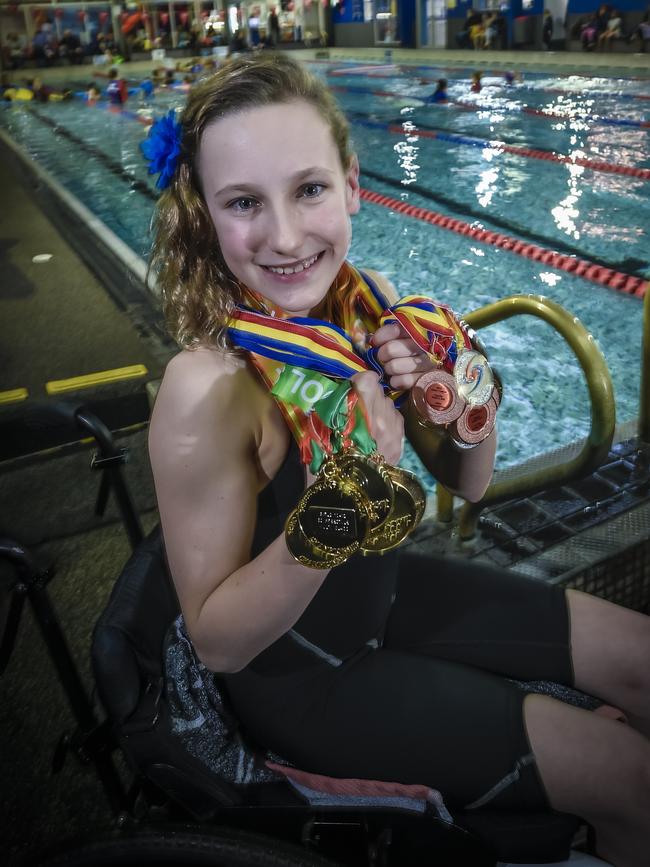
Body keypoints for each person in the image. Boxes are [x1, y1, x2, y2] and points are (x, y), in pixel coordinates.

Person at [143, 54, 650, 867]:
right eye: (243, 203)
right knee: (629, 777)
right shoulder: (206, 390)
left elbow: (466, 485)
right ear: (205, 215)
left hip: (386, 597)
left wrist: (464, 403)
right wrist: (345, 504)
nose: (284, 236)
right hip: (303, 680)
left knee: (642, 657)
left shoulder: (361, 302)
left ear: (351, 183)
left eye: (308, 189)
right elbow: (217, 644)